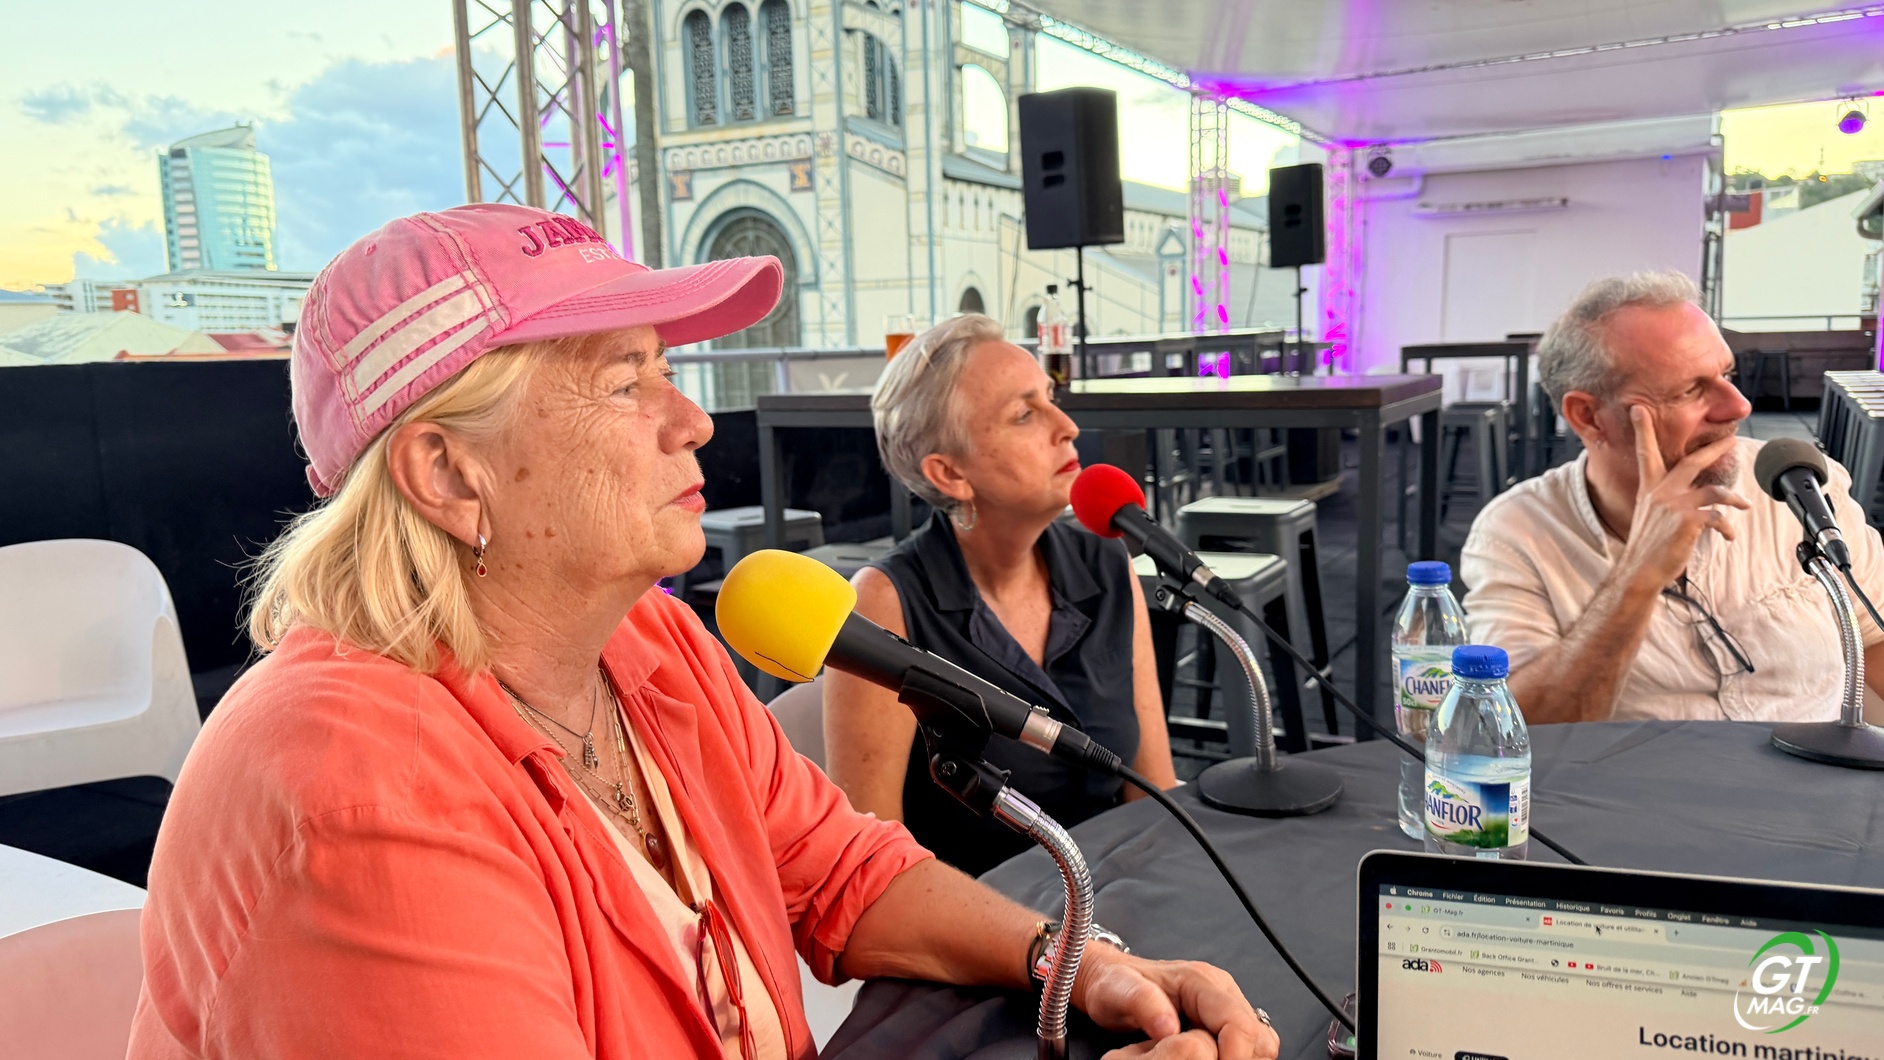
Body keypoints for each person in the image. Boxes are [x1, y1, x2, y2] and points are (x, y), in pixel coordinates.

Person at [127, 204, 1276, 1060]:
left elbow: (840, 867)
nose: (693, 419)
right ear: (448, 470)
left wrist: (1076, 962)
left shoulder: (648, 644)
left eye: (667, 367)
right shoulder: (356, 794)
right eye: (626, 381)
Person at [823, 314, 1178, 876]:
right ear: (950, 473)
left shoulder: (1107, 563)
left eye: (1050, 400)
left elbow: (1152, 791)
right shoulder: (886, 603)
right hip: (982, 918)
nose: (1068, 427)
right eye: (1024, 414)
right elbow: (873, 871)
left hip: (1120, 893)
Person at [1459, 270, 1884, 724]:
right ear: (1588, 416)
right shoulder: (1517, 533)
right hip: (1645, 772)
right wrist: (1639, 574)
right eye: (1689, 390)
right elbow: (1516, 729)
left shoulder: (1796, 484)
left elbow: (1874, 636)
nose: (1739, 406)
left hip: (1812, 766)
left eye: (1726, 374)